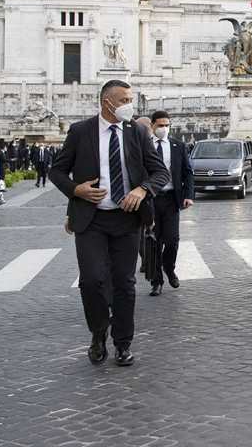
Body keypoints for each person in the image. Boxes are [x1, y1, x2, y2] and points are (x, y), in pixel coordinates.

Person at [50, 80, 169, 366]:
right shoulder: (81, 131)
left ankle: (123, 342)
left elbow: (159, 172)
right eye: (125, 99)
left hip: (126, 219)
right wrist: (76, 190)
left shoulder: (138, 132)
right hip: (91, 219)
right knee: (91, 281)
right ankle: (98, 330)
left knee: (124, 283)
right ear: (108, 102)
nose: (131, 104)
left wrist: (142, 190)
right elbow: (57, 171)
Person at [147, 111, 194, 297]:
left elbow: (188, 172)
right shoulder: (144, 146)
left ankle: (169, 268)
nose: (164, 129)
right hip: (150, 199)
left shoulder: (178, 145)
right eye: (160, 125)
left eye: (167, 125)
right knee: (154, 242)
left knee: (172, 240)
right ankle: (156, 281)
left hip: (171, 198)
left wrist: (189, 195)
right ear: (152, 125)